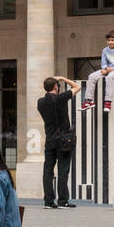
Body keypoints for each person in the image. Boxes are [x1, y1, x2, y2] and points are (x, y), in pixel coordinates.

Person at [38, 75, 81, 209]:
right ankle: (63, 200)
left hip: (50, 139)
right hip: (64, 140)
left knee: (48, 171)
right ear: (56, 87)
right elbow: (77, 86)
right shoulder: (62, 98)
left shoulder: (40, 102)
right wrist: (62, 78)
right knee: (63, 170)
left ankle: (49, 201)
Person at [82, 30, 114, 112]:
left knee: (109, 77)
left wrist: (111, 69)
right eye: (108, 40)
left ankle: (108, 101)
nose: (110, 42)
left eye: (112, 40)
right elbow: (103, 63)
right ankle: (89, 100)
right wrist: (106, 69)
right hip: (108, 70)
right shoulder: (105, 50)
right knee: (91, 76)